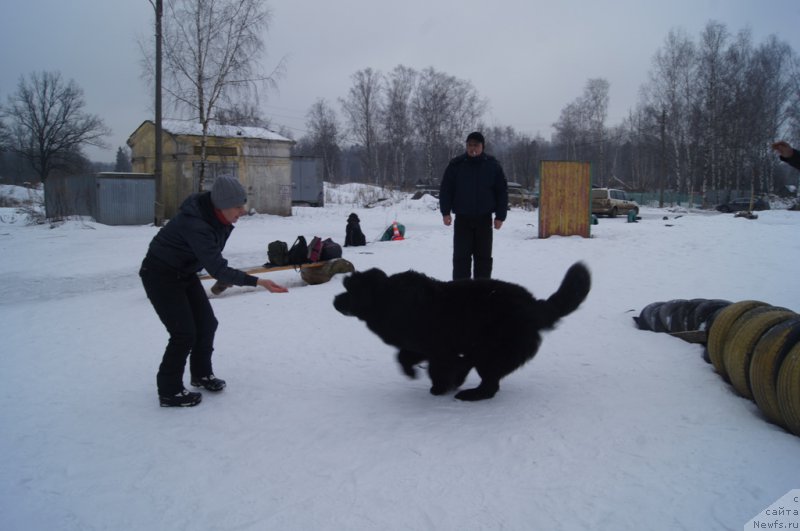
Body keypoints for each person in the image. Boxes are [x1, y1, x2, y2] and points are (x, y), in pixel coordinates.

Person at [139, 175, 288, 407]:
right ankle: (169, 391)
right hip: (160, 275)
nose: (243, 211)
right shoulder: (196, 224)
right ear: (222, 205)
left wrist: (224, 277)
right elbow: (217, 267)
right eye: (238, 206)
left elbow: (213, 259)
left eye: (243, 205)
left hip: (185, 272)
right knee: (183, 333)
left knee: (207, 324)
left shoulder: (219, 219)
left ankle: (201, 375)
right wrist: (259, 282)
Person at [439, 131, 508, 280]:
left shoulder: (492, 166)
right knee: (461, 259)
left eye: (476, 145)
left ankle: (481, 291)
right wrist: (445, 212)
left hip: (484, 220)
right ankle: (460, 291)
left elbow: (502, 192)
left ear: (483, 146)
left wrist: (500, 216)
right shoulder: (456, 165)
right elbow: (446, 190)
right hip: (463, 220)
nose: (472, 148)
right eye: (469, 145)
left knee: (483, 259)